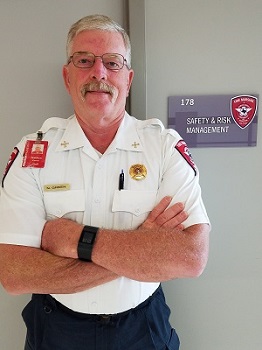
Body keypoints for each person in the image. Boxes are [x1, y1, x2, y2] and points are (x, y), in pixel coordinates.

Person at [0, 14, 210, 350]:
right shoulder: (32, 152)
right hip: (56, 326)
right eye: (84, 61)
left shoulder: (164, 148)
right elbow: (14, 273)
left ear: (128, 79)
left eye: (112, 62)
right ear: (67, 77)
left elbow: (190, 257)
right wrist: (142, 247)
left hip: (143, 326)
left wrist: (75, 241)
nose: (99, 72)